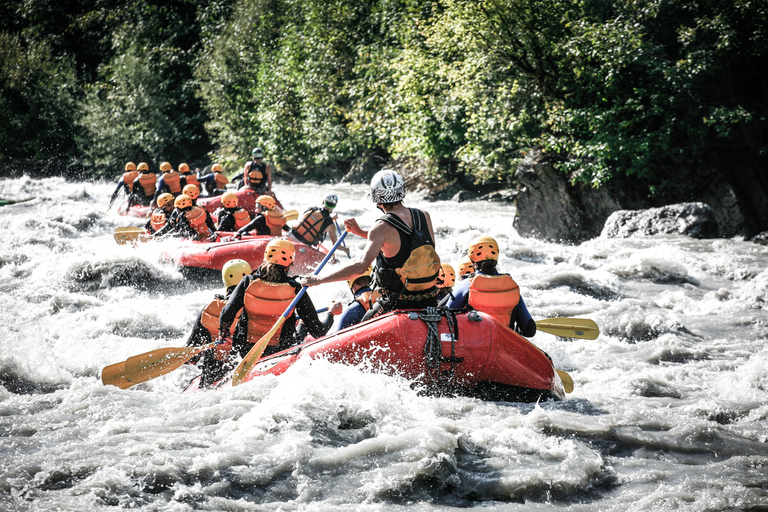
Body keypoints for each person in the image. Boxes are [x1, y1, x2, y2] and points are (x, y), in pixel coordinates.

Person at [302, 169, 441, 316]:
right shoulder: (424, 216)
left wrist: (319, 279)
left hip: (398, 303)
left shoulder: (381, 227)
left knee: (358, 330)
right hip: (430, 300)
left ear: (376, 196)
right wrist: (361, 232)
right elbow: (408, 243)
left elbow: (360, 267)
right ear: (402, 191)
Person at [218, 239, 335, 361]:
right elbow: (318, 332)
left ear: (266, 257)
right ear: (290, 263)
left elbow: (226, 315)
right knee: (301, 327)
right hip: (279, 354)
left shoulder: (247, 282)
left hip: (245, 350)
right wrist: (331, 313)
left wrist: (225, 334)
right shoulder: (296, 289)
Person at [445, 235, 536, 337]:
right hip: (504, 345)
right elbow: (529, 330)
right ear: (496, 258)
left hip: (474, 345)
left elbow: (445, 320)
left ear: (471, 261)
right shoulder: (511, 286)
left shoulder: (466, 285)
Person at [185, 259, 251, 387]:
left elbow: (191, 355)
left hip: (210, 377)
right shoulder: (252, 307)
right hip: (241, 372)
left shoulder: (208, 309)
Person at [330, 264, 377, 332]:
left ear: (350, 282)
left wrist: (331, 313)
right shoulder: (383, 297)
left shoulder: (352, 311)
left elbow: (338, 340)